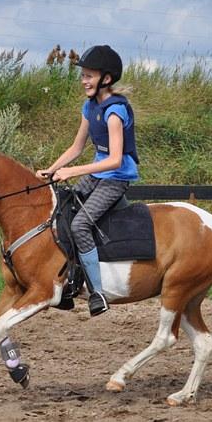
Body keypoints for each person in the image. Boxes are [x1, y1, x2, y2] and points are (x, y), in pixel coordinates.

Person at [37, 45, 139, 317]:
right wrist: (52, 169)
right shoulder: (89, 106)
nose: (83, 81)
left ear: (106, 78)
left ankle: (97, 293)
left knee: (81, 224)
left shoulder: (115, 111)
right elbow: (76, 147)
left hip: (116, 178)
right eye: (82, 75)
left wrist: (73, 172)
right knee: (63, 211)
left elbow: (115, 160)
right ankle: (70, 281)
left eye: (89, 76)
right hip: (96, 174)